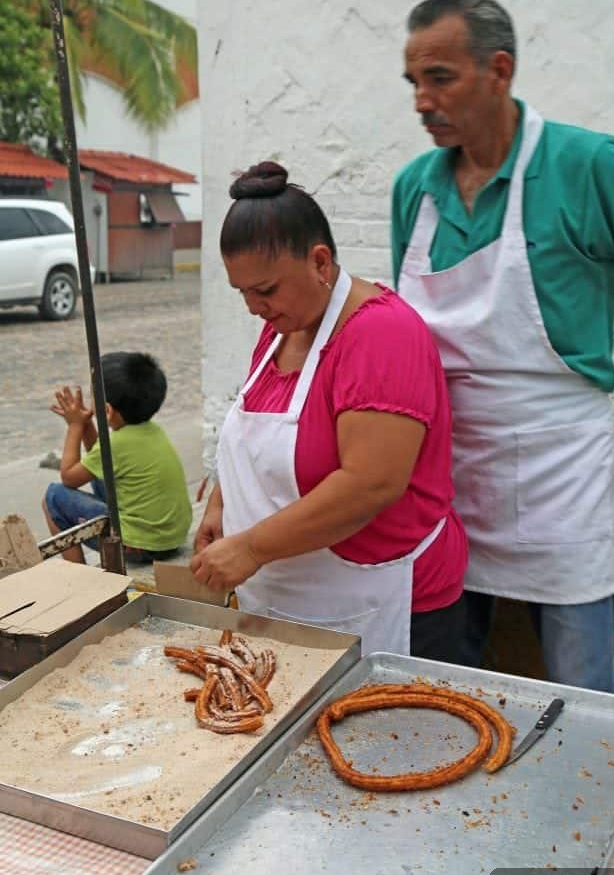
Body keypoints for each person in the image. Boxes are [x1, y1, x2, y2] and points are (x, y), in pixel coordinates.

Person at [392, 0, 614, 693]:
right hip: (445, 477)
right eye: (412, 83)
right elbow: (397, 340)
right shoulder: (415, 189)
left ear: (498, 70)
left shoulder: (586, 165)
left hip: (560, 476)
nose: (421, 101)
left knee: (582, 686)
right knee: (446, 680)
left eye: (440, 78)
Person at [190, 161, 468, 659]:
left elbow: (371, 483)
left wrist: (252, 547)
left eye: (266, 289)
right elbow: (250, 439)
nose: (254, 307)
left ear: (320, 263)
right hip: (291, 599)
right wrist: (221, 506)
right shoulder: (283, 327)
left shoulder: (382, 334)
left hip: (384, 603)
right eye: (243, 293)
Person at [43, 351, 192, 565]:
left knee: (53, 497)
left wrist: (75, 425)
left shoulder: (117, 444)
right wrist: (86, 424)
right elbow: (98, 456)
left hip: (140, 546)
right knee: (99, 471)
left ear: (106, 410)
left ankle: (77, 574)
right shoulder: (152, 431)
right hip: (170, 539)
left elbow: (69, 478)